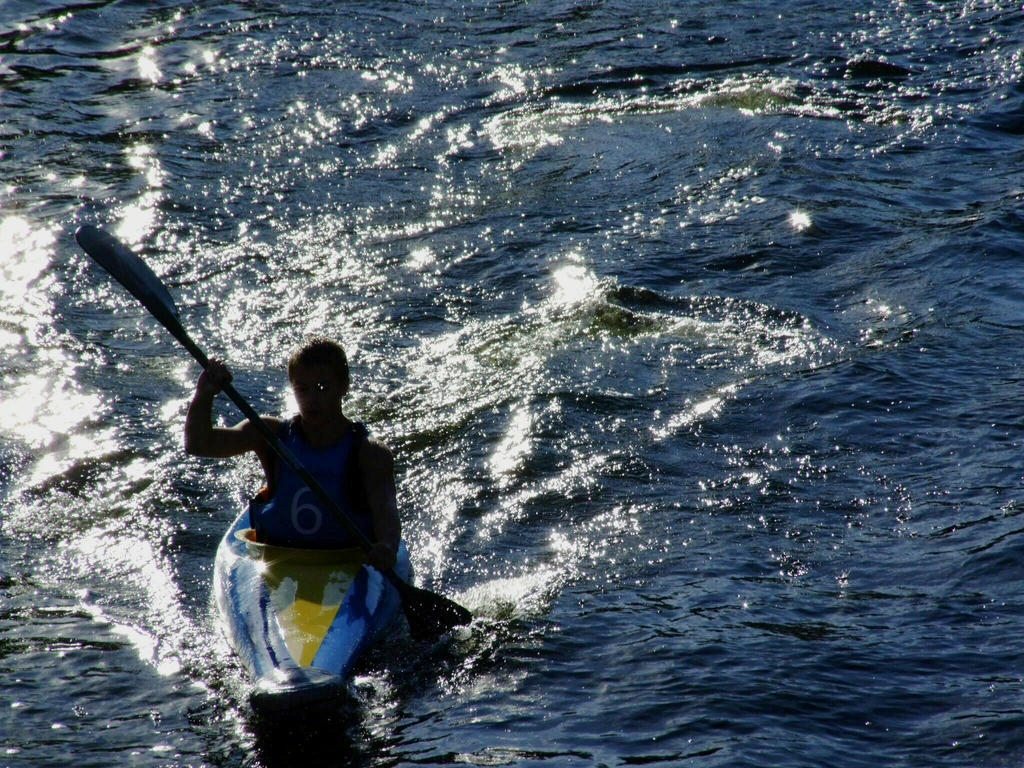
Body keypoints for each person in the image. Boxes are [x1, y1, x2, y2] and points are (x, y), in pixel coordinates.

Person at [184, 337, 400, 570]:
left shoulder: (370, 452)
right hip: (276, 562)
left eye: (322, 388)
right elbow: (199, 444)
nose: (311, 400)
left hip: (346, 563)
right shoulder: (270, 436)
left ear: (344, 385)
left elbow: (386, 513)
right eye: (302, 389)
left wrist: (386, 547)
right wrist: (204, 393)